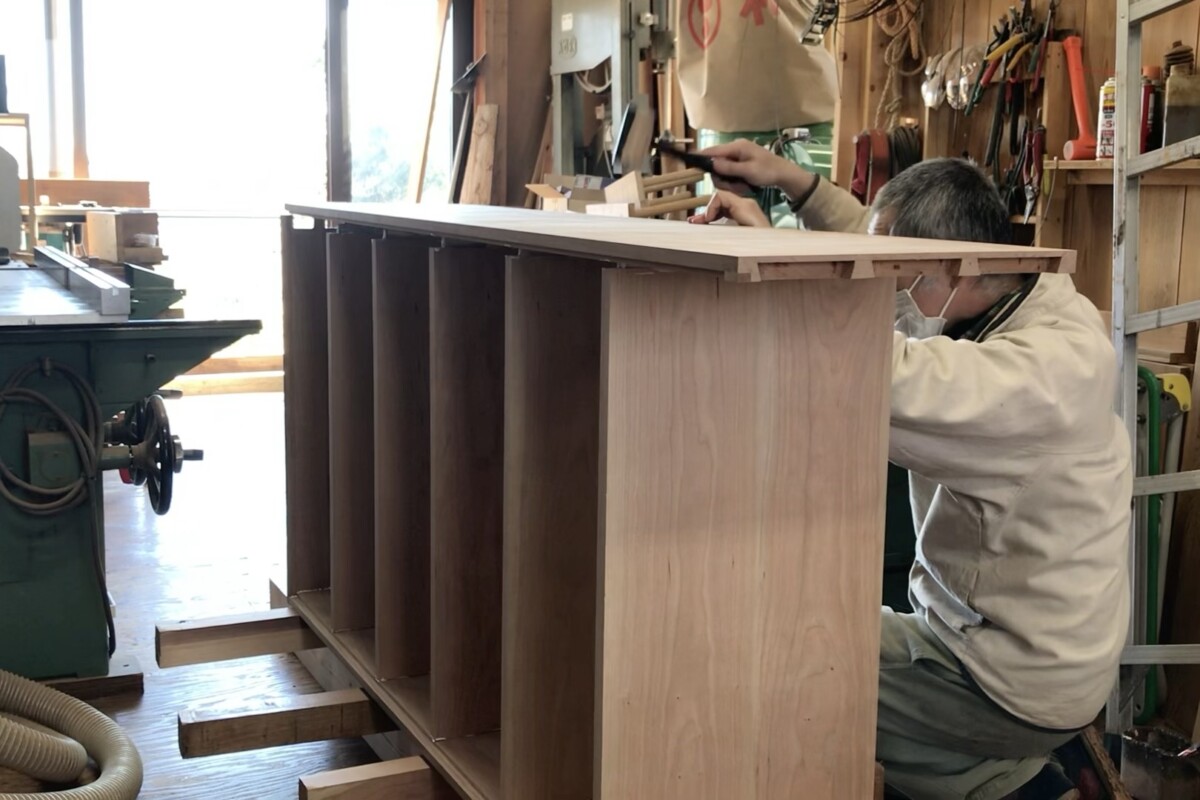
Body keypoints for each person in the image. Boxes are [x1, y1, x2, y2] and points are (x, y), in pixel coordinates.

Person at [691, 142, 1133, 800]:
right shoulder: (1004, 289)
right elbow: (882, 250)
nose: (885, 289)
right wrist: (793, 183)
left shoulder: (1037, 378)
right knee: (798, 637)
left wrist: (774, 262)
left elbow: (871, 370)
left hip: (1005, 683)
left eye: (897, 277)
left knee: (779, 669)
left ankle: (1015, 782)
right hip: (984, 638)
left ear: (951, 268)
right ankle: (989, 771)